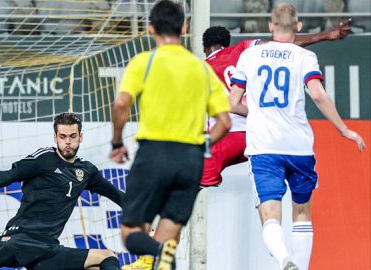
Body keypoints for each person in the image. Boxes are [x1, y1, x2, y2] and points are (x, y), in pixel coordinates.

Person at [229, 3, 365, 270]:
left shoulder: (250, 56)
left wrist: (255, 112)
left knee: (270, 215)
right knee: (302, 213)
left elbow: (233, 102)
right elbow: (317, 94)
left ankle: (284, 260)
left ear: (270, 26)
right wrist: (343, 129)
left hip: (265, 147)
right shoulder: (304, 57)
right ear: (299, 27)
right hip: (299, 146)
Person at [109, 1, 231, 269]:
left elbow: (120, 105)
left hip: (155, 153)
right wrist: (204, 145)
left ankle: (162, 250)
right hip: (191, 159)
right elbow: (224, 121)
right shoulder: (201, 68)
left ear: (151, 29)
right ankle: (164, 252)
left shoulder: (145, 62)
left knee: (133, 236)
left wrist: (117, 141)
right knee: (166, 239)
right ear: (185, 27)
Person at [0, 112, 124, 270]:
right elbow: (10, 175)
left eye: (72, 136)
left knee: (106, 258)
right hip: (21, 236)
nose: (67, 142)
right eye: (62, 136)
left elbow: (116, 195)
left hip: (48, 250)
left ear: (80, 137)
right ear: (55, 137)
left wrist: (145, 218)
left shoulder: (86, 171)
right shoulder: (44, 159)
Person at [200, 19, 352, 188]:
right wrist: (325, 35)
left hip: (226, 139)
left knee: (185, 186)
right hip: (259, 137)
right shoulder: (245, 49)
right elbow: (283, 44)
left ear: (204, 49)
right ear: (227, 44)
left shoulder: (200, 68)